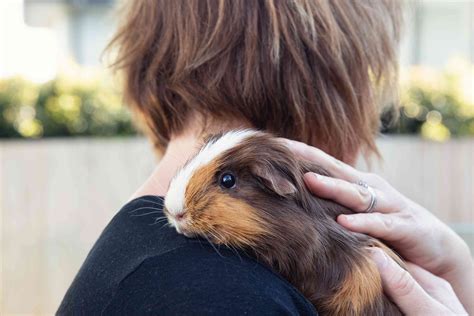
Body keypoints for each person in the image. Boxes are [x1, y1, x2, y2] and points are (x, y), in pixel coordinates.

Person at [58, 0, 473, 315]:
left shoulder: (148, 258)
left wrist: (461, 276)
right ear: (335, 82)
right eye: (370, 81)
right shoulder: (210, 293)